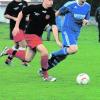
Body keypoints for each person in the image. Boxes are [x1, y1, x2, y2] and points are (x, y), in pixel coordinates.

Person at [13, 0, 62, 81]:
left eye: (52, 0)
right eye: (50, 0)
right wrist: (16, 26)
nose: (52, 2)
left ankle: (9, 51)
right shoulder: (34, 7)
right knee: (44, 52)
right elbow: (21, 13)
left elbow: (53, 26)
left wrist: (57, 40)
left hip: (38, 37)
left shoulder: (51, 12)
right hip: (29, 35)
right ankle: (45, 76)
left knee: (27, 59)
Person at [39, 0, 91, 72]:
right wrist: (49, 23)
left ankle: (43, 70)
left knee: (63, 56)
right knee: (74, 49)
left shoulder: (87, 6)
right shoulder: (70, 4)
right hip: (67, 30)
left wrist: (86, 22)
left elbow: (87, 20)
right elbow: (57, 13)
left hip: (76, 32)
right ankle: (53, 54)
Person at [1, 0, 28, 65]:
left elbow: (27, 14)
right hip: (15, 28)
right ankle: (23, 61)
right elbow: (5, 15)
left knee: (17, 45)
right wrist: (13, 18)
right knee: (23, 44)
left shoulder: (25, 2)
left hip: (23, 27)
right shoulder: (11, 4)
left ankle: (8, 61)